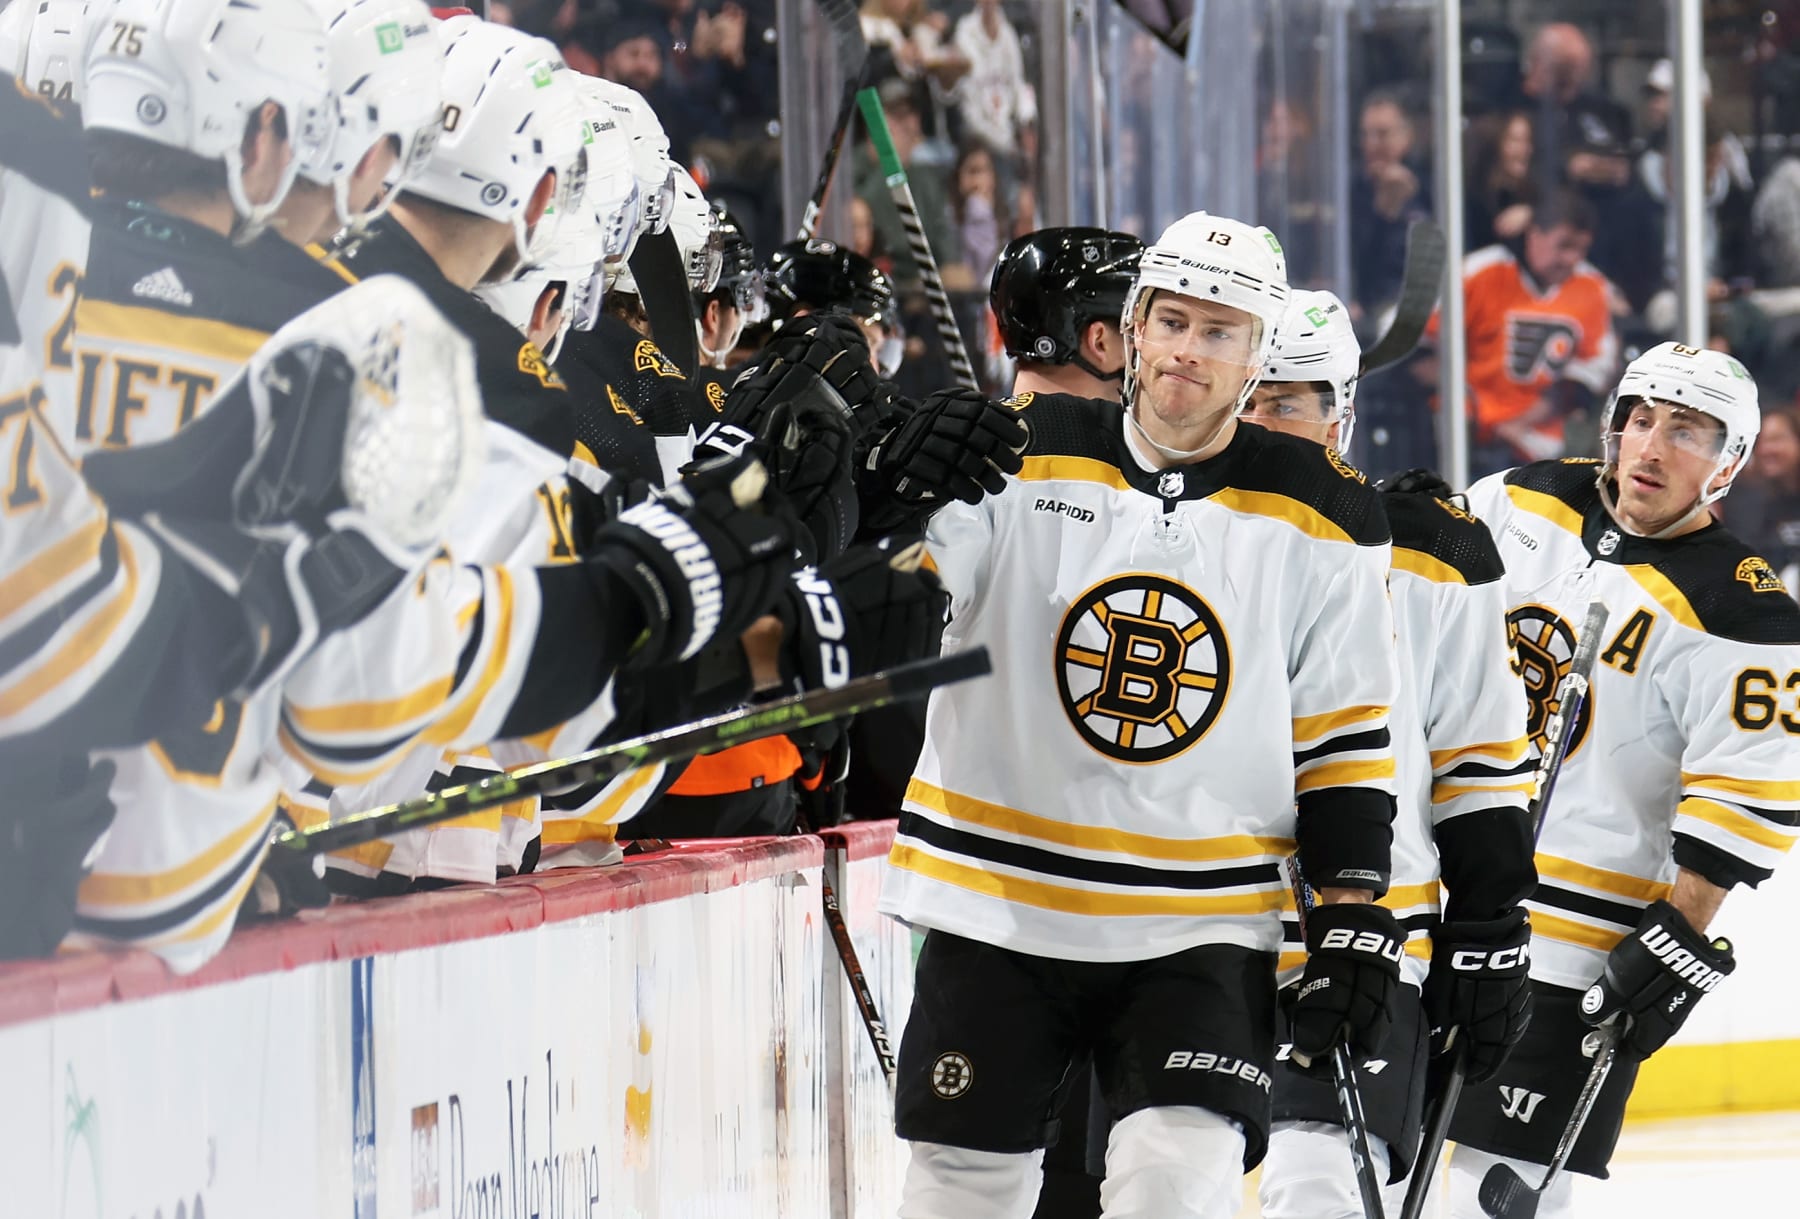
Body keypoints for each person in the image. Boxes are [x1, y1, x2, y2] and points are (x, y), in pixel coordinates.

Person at [881, 212, 1404, 1219]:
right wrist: (889, 506)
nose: (1186, 353)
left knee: (1177, 1186)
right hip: (998, 897)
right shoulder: (1017, 451)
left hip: (1199, 921)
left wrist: (1352, 917)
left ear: (1257, 357)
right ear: (1132, 326)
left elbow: (1342, 735)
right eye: (1171, 321)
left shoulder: (1325, 508)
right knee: (959, 1190)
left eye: (1219, 332)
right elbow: (910, 606)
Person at [1447, 342, 1800, 1218]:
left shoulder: (1745, 611)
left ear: (1728, 460)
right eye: (1640, 419)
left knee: (1495, 1198)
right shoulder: (1519, 500)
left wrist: (1677, 934)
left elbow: (1747, 797)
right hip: (1438, 901)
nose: (1649, 448)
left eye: (1685, 431)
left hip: (1571, 947)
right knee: (1345, 1167)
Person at [1242, 291, 1535, 1219]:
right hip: (1171, 921)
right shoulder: (1153, 518)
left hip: (1366, 933)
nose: (1260, 421)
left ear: (1341, 416)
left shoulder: (1434, 548)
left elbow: (1481, 757)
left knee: (1317, 1184)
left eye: (1285, 401)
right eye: (1247, 394)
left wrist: (1488, 924)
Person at [1436, 189, 1618, 475]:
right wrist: (1476, 417)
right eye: (1564, 245)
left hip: (1545, 445)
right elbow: (1421, 349)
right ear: (1534, 235)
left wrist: (1518, 425)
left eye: (1581, 249)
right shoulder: (1480, 272)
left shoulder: (1591, 287)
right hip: (1465, 436)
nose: (1571, 258)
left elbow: (1583, 380)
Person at [990, 225, 1142, 403]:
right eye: (1134, 331)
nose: (1142, 346)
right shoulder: (1102, 430)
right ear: (1100, 342)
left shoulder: (988, 426)